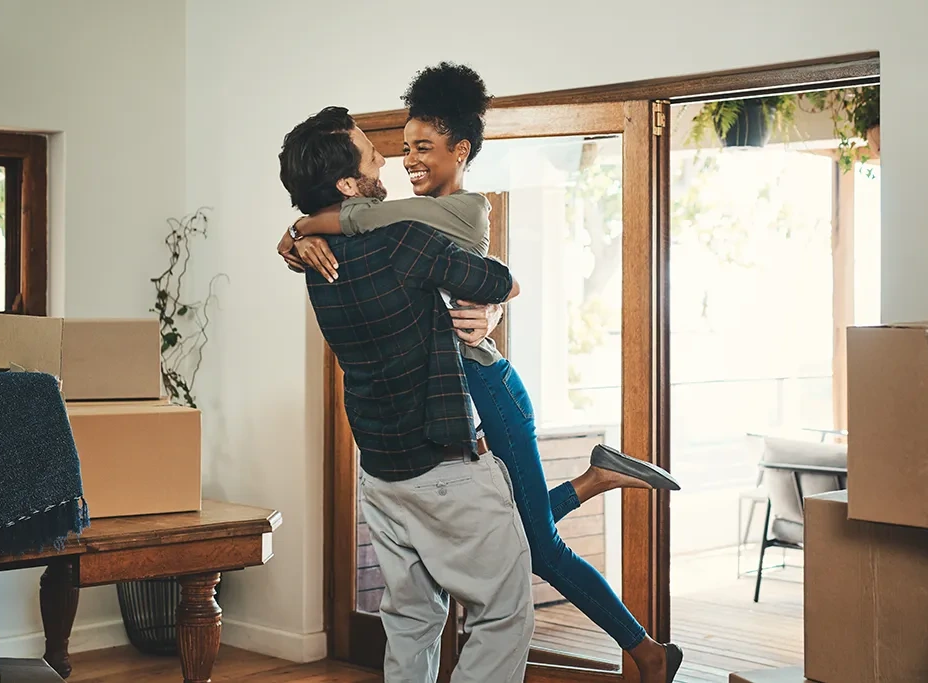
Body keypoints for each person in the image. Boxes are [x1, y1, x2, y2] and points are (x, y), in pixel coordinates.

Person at [278, 63, 683, 683]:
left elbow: (483, 272)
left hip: (482, 384)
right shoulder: (395, 227)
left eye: (420, 147)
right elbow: (371, 231)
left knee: (533, 546)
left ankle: (644, 647)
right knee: (525, 541)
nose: (399, 159)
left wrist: (302, 225)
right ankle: (600, 497)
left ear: (460, 150)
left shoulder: (456, 212)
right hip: (443, 410)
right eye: (392, 148)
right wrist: (298, 233)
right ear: (350, 180)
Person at [278, 105, 534, 683]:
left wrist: (296, 230)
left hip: (381, 472)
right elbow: (496, 280)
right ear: (349, 183)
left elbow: (322, 229)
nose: (385, 160)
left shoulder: (312, 256)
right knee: (504, 611)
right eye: (372, 154)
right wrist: (494, 299)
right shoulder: (402, 240)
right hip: (442, 464)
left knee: (410, 621)